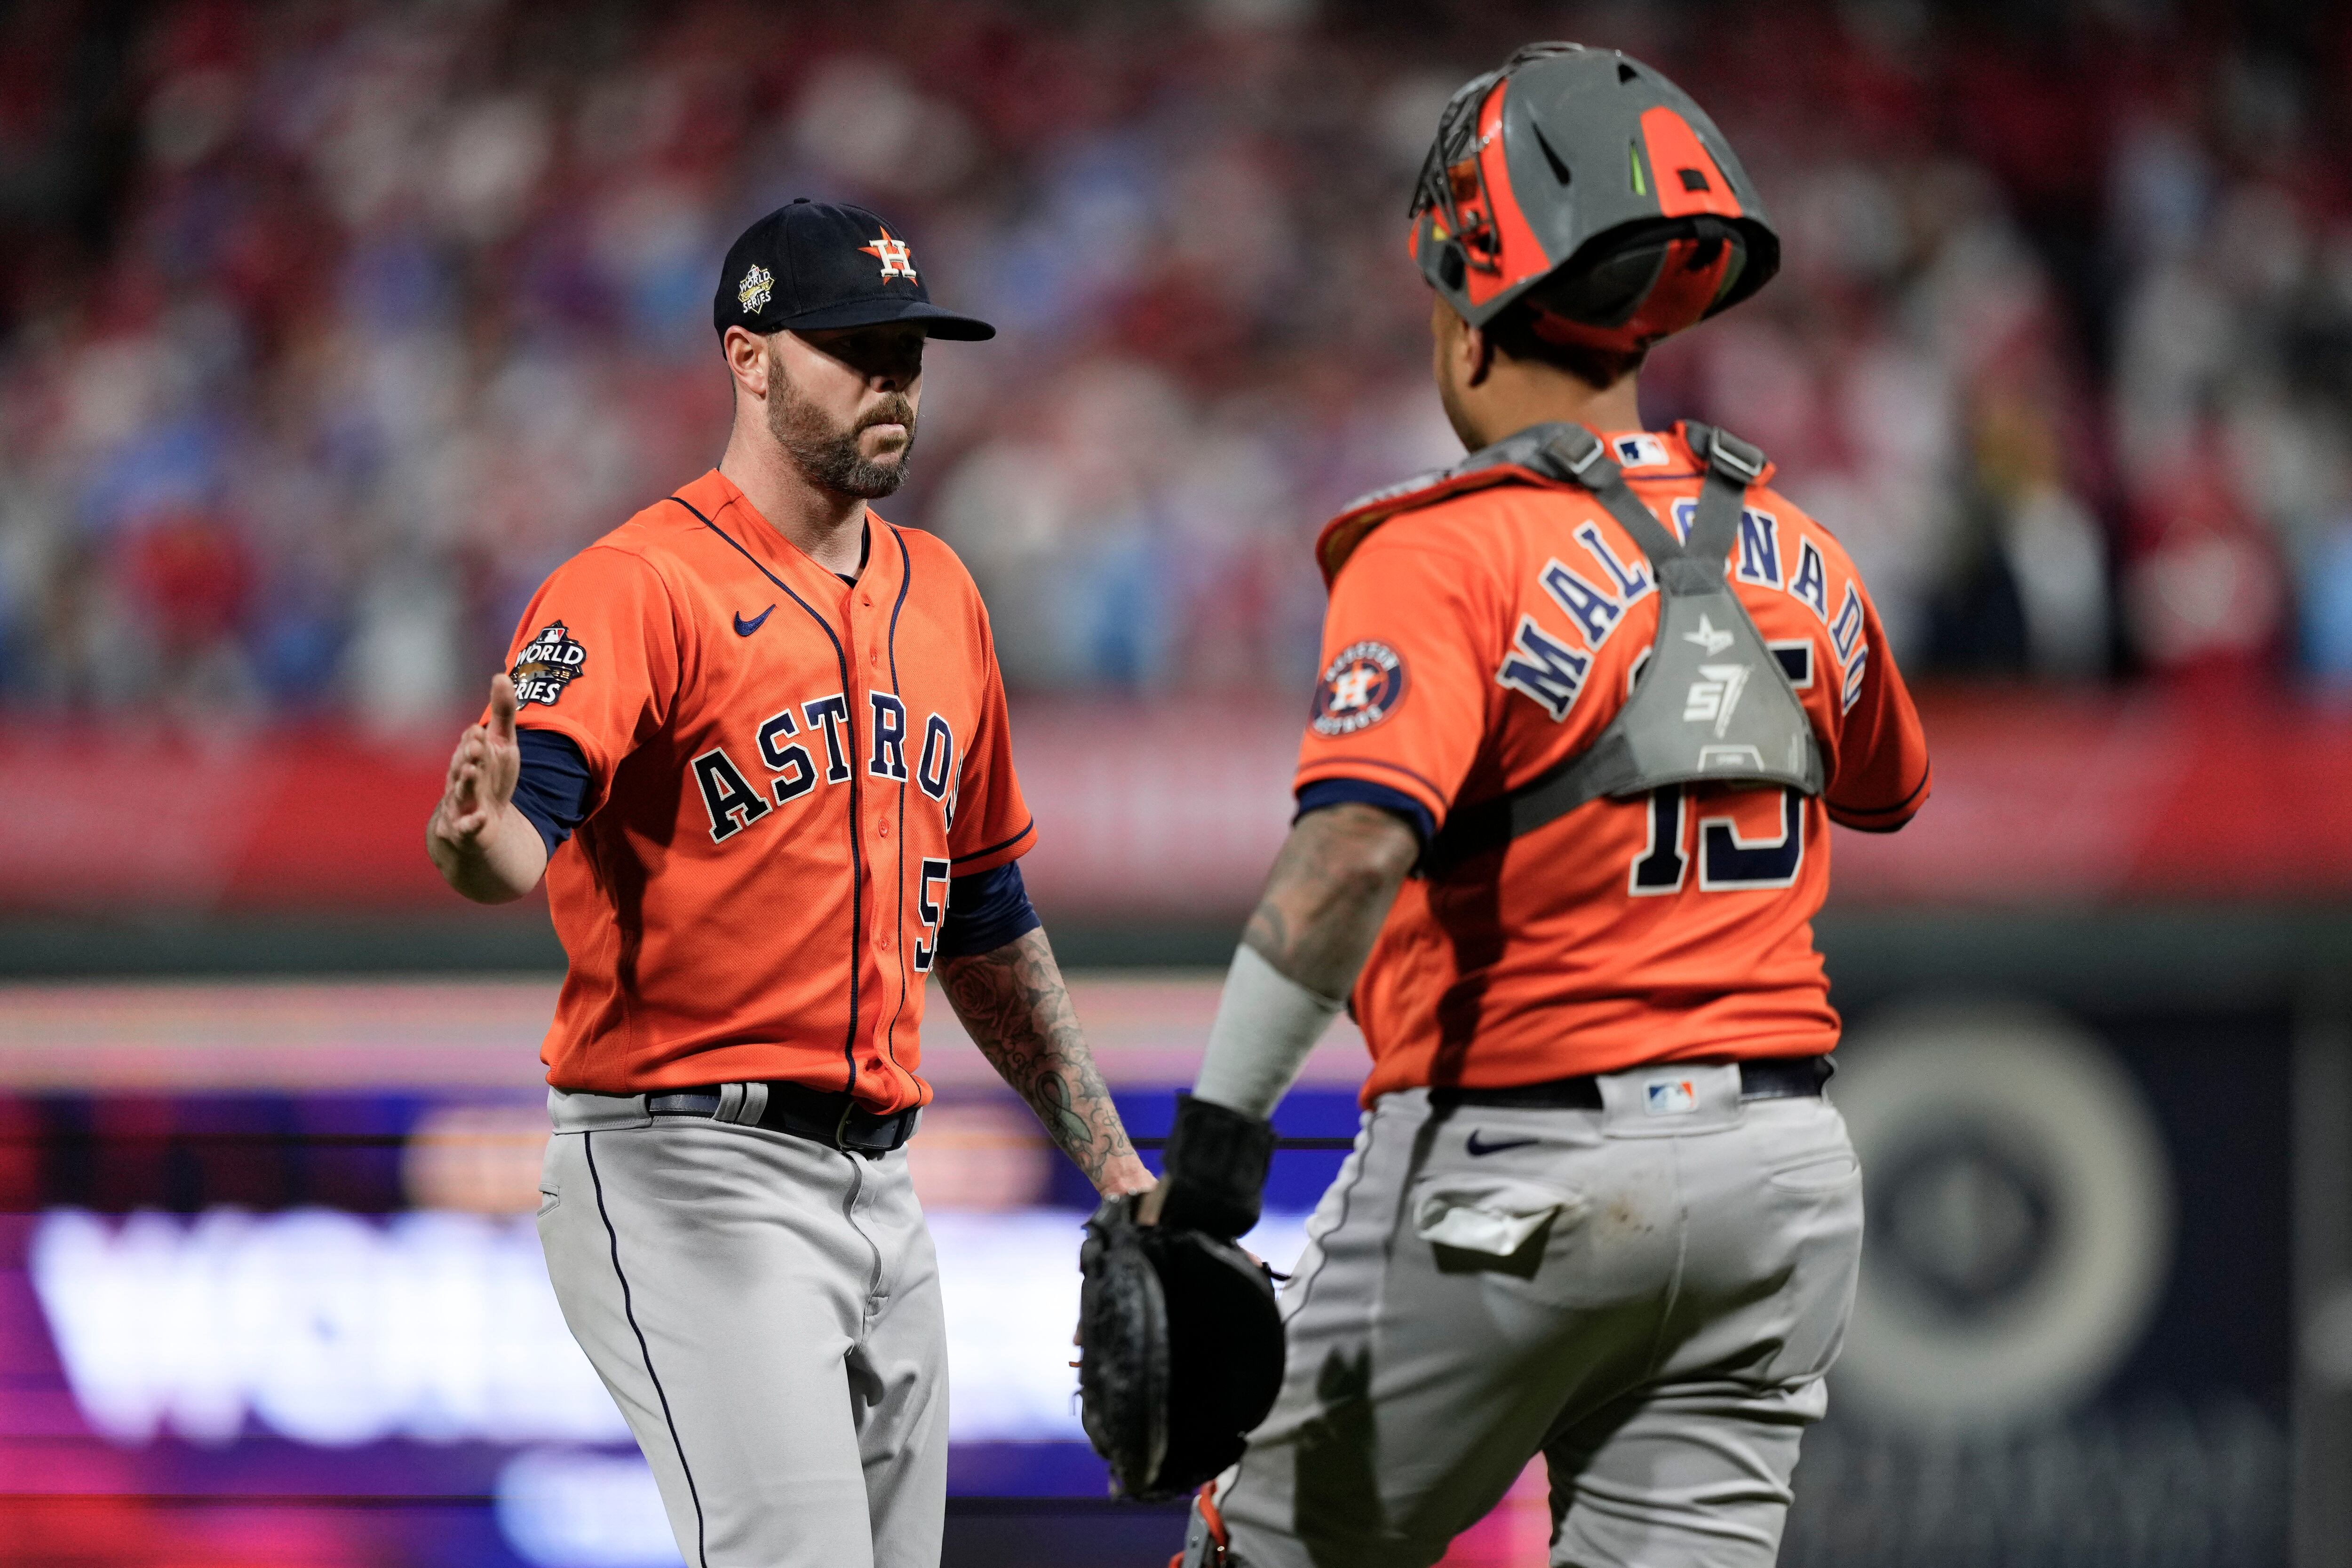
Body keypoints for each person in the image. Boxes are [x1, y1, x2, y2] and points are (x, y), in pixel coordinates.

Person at [1144, 45, 1932, 1568]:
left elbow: (1353, 849)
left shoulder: (1441, 551)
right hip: (1781, 1179)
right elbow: (1892, 781)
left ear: (1466, 302)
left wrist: (1217, 1146)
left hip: (1520, 1174)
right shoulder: (1803, 542)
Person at [424, 198, 1153, 1568]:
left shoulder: (945, 594)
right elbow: (521, 827)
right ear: (748, 358)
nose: (894, 381)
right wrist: (475, 842)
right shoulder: (630, 585)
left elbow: (986, 916)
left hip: (885, 1188)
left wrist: (1123, 1178)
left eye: (910, 352)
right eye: (855, 348)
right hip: (684, 1166)